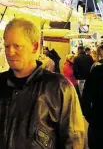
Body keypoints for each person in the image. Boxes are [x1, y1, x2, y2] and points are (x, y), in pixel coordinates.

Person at [0, 18, 84, 149]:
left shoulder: (59, 88)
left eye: (17, 46)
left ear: (34, 47)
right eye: (6, 46)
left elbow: (74, 141)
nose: (10, 52)